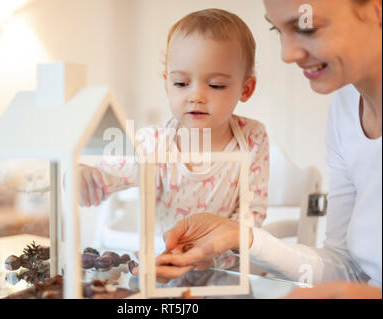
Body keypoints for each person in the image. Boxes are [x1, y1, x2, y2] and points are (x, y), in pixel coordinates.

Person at [155, 0, 382, 299]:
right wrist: (240, 236)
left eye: (308, 27)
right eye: (278, 29)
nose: (287, 54)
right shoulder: (343, 110)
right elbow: (349, 269)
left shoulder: (251, 137)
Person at [79, 9, 269, 270]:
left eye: (215, 85)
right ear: (167, 84)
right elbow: (107, 175)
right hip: (162, 271)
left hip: (223, 275)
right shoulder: (152, 142)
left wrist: (211, 253)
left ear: (245, 89)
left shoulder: (252, 138)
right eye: (182, 83)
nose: (196, 96)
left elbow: (251, 217)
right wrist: (84, 176)